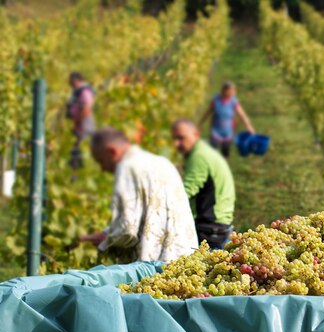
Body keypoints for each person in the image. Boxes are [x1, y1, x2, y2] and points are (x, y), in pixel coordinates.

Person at [80, 127, 198, 262]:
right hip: (186, 257)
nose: (102, 168)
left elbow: (127, 229)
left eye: (101, 161)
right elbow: (148, 214)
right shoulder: (162, 162)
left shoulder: (127, 167)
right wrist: (107, 233)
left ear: (111, 151)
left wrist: (104, 242)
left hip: (156, 266)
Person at [172, 119, 236, 249]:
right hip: (220, 224)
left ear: (195, 134)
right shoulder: (204, 151)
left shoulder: (199, 157)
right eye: (174, 139)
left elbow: (185, 192)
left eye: (181, 138)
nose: (176, 144)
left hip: (211, 227)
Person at [199, 81, 255, 158]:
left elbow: (242, 115)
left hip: (228, 130)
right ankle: (213, 162)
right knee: (213, 147)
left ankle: (225, 161)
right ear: (223, 90)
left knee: (225, 149)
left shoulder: (233, 102)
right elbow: (208, 112)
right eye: (231, 91)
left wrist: (249, 126)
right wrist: (201, 123)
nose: (233, 93)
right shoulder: (216, 100)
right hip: (216, 129)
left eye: (234, 91)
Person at [66, 72, 96, 170]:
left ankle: (82, 171)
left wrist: (76, 119)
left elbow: (87, 109)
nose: (70, 85)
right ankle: (75, 171)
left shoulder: (85, 92)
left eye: (71, 82)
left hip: (84, 124)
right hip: (79, 124)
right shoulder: (78, 92)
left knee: (83, 147)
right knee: (76, 148)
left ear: (77, 80)